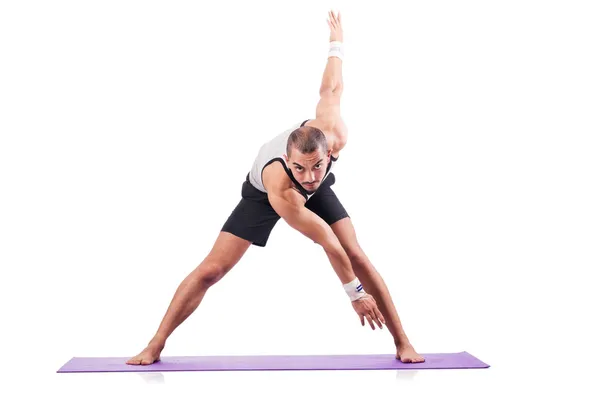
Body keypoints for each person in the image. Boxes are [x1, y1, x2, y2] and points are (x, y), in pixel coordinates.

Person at [127, 10, 425, 365]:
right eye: (300, 167)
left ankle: (403, 342)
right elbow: (326, 242)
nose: (310, 176)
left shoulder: (332, 131)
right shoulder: (282, 188)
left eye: (317, 166)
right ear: (288, 158)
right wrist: (354, 293)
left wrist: (337, 42)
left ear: (330, 151)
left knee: (358, 255)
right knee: (211, 270)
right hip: (264, 195)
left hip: (302, 183)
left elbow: (331, 87)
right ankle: (155, 344)